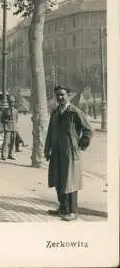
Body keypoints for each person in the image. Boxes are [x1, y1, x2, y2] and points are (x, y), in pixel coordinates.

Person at [45, 86, 92, 221]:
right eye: (57, 95)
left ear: (68, 95)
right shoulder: (55, 113)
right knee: (58, 179)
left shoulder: (75, 112)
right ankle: (63, 207)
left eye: (62, 95)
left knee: (70, 181)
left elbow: (88, 131)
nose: (59, 97)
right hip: (56, 152)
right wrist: (47, 149)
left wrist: (81, 145)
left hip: (70, 153)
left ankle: (73, 211)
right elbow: (50, 133)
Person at [1, 96, 19, 160]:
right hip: (8, 127)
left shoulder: (16, 110)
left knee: (13, 142)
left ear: (14, 103)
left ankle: (11, 154)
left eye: (13, 102)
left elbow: (17, 119)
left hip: (14, 128)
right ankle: (3, 155)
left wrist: (16, 128)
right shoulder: (5, 110)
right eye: (10, 102)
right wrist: (6, 123)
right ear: (9, 102)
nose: (11, 103)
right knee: (6, 142)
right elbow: (2, 119)